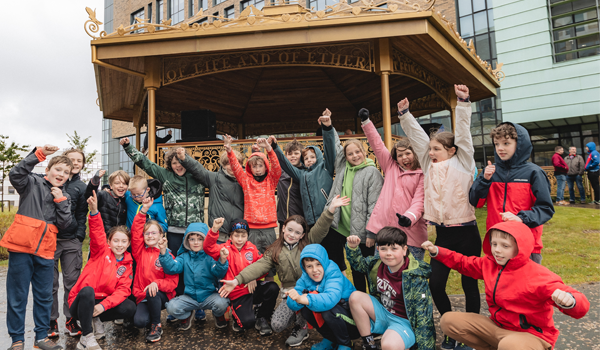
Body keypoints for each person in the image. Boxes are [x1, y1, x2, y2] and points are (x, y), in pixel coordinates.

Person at [422, 221, 590, 350]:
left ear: (520, 247)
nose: (497, 250)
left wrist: (571, 301)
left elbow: (581, 306)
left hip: (531, 336)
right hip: (498, 328)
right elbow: (464, 263)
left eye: (505, 246)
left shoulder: (538, 275)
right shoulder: (490, 264)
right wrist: (437, 251)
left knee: (509, 345)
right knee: (448, 321)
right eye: (494, 244)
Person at [399, 85, 481, 350]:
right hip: (443, 235)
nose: (430, 152)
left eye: (436, 149)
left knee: (470, 285)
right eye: (430, 149)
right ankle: (450, 329)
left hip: (467, 233)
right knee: (435, 284)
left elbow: (465, 135)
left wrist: (463, 102)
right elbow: (419, 139)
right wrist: (405, 115)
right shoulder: (428, 164)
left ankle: (472, 333)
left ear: (452, 151)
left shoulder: (464, 161)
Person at [220, 195, 350, 347]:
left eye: (297, 232)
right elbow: (258, 266)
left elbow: (321, 226)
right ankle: (297, 317)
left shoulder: (308, 242)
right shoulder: (275, 250)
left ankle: (301, 327)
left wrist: (331, 209)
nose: (292, 235)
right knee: (277, 325)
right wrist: (237, 280)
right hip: (289, 293)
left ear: (302, 235)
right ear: (283, 229)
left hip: (309, 290)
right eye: (289, 230)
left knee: (309, 305)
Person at [121, 137, 205, 316]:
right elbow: (145, 163)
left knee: (196, 270)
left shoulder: (198, 177)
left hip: (195, 233)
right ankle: (181, 309)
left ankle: (198, 307)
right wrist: (128, 147)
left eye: (181, 161)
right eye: (174, 162)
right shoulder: (166, 176)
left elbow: (200, 169)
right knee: (175, 270)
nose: (178, 165)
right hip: (174, 232)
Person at [1, 145, 72, 350]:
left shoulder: (64, 195)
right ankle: (17, 340)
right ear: (48, 169)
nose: (61, 174)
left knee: (44, 296)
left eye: (66, 173)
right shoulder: (31, 182)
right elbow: (15, 173)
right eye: (58, 169)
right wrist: (38, 154)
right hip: (21, 248)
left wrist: (60, 201)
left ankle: (41, 337)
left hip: (46, 250)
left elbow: (66, 224)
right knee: (17, 296)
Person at [470, 122, 554, 265]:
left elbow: (545, 209)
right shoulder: (490, 171)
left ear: (519, 144)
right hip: (497, 245)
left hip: (525, 244)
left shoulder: (534, 173)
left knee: (526, 287)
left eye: (506, 143)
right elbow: (476, 202)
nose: (500, 148)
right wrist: (484, 180)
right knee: (497, 286)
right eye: (497, 144)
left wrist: (521, 218)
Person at [346, 227, 435, 350]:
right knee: (355, 297)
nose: (388, 253)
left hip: (403, 323)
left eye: (394, 248)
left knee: (389, 345)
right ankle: (369, 344)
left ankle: (401, 341)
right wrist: (352, 247)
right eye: (383, 249)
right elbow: (358, 264)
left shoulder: (415, 277)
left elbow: (423, 317)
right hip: (383, 312)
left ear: (404, 250)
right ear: (378, 249)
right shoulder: (377, 263)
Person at [68, 191, 136, 350]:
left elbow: (123, 290)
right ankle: (87, 337)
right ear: (109, 242)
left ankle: (96, 319)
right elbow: (97, 232)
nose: (119, 245)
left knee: (130, 307)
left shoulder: (127, 262)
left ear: (128, 244)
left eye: (124, 241)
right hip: (81, 303)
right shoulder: (100, 251)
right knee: (87, 291)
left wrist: (103, 306)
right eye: (116, 241)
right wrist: (94, 212)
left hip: (101, 301)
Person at [358, 108, 427, 260]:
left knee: (410, 275)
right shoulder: (391, 167)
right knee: (384, 274)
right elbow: (377, 144)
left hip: (411, 235)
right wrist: (366, 122)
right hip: (386, 233)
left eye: (407, 153)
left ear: (415, 154)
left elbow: (419, 201)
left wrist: (409, 217)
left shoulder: (423, 174)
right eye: (400, 155)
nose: (404, 158)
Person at [325, 117, 384, 292]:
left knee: (368, 268)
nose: (354, 156)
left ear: (363, 151)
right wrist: (329, 126)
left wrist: (371, 233)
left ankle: (374, 301)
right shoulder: (343, 168)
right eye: (350, 154)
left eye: (357, 152)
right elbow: (336, 147)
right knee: (354, 268)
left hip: (362, 231)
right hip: (341, 227)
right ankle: (359, 299)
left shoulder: (372, 172)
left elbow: (374, 205)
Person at [205, 218, 279, 334]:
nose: (240, 239)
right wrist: (214, 229)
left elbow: (263, 267)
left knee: (273, 288)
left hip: (252, 288)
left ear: (247, 236)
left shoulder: (252, 248)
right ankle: (237, 315)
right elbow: (208, 248)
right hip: (237, 293)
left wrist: (253, 277)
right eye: (236, 235)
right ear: (230, 236)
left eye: (243, 235)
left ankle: (261, 316)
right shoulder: (224, 248)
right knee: (247, 323)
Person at [223, 135, 281, 279]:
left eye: (260, 165)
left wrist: (269, 148)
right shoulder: (246, 181)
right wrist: (229, 150)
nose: (258, 169)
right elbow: (236, 167)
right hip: (252, 229)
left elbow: (277, 167)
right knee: (252, 261)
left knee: (271, 260)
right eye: (254, 166)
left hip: (269, 229)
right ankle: (254, 294)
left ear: (265, 166)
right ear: (249, 168)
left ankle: (270, 288)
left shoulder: (271, 181)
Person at [158, 222, 230, 331]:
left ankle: (218, 315)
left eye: (200, 239)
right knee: (171, 307)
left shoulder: (210, 256)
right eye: (192, 239)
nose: (196, 242)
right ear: (187, 241)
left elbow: (218, 273)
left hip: (209, 296)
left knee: (222, 303)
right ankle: (187, 316)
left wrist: (222, 260)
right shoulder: (184, 256)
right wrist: (163, 251)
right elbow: (172, 268)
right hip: (190, 297)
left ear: (205, 240)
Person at [271, 109, 336, 228]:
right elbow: (286, 165)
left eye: (313, 157)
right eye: (306, 158)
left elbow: (330, 149)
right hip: (310, 222)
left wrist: (326, 128)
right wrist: (275, 147)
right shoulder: (303, 175)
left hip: (327, 219)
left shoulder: (326, 168)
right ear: (303, 162)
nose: (309, 160)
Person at [286, 244, 359, 350]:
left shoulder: (333, 272)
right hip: (337, 318)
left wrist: (303, 298)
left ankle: (346, 343)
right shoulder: (305, 277)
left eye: (318, 264)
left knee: (328, 310)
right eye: (309, 266)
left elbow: (330, 299)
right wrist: (295, 298)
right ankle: (330, 339)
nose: (314, 270)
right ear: (304, 268)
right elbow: (293, 302)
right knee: (305, 309)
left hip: (353, 322)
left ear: (324, 263)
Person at [48, 149, 88, 339]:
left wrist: (79, 235)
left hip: (71, 240)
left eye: (79, 160)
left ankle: (70, 318)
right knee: (50, 283)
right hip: (50, 239)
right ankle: (50, 320)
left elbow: (81, 213)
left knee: (71, 283)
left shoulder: (81, 186)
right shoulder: (52, 181)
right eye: (72, 159)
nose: (75, 163)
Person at [130, 198, 178, 342]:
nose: (150, 236)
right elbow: (135, 230)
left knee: (153, 291)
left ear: (161, 235)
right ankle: (150, 315)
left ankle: (156, 325)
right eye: (147, 234)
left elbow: (172, 282)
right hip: (143, 295)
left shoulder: (167, 255)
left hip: (161, 295)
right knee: (139, 322)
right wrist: (143, 210)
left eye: (154, 233)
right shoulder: (139, 252)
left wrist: (156, 283)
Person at [176, 147, 244, 244]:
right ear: (223, 166)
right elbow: (198, 169)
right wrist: (184, 158)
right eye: (229, 163)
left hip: (239, 235)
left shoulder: (246, 180)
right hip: (220, 235)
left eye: (236, 162)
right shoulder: (214, 178)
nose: (232, 166)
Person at [85, 169, 129, 235]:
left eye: (124, 183)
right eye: (117, 183)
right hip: (102, 237)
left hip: (117, 239)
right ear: (111, 186)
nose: (121, 186)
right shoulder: (103, 195)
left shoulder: (126, 200)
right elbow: (90, 195)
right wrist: (96, 179)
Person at [274, 139, 304, 229]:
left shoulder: (305, 173)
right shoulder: (280, 172)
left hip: (299, 219)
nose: (293, 156)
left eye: (296, 153)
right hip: (283, 218)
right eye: (289, 154)